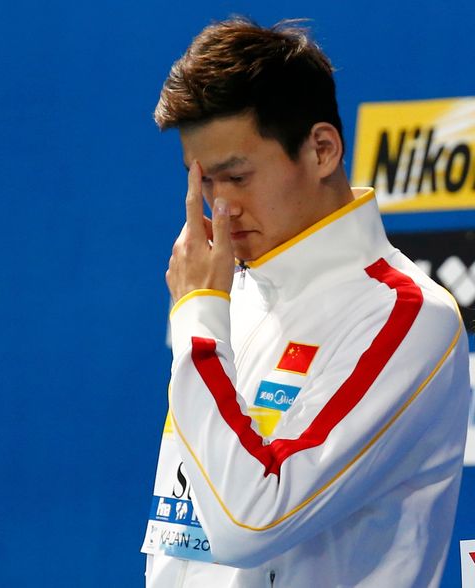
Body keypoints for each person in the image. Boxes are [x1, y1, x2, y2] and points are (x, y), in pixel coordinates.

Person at [140, 17, 471, 587]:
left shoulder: (407, 316)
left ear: (321, 150)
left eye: (236, 177)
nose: (220, 209)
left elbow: (250, 522)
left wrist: (195, 317)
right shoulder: (226, 297)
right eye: (203, 185)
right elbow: (185, 545)